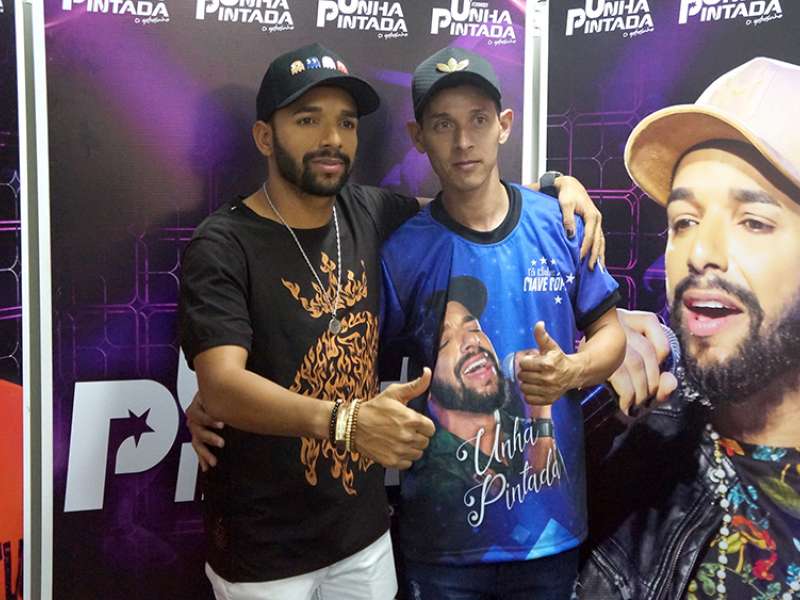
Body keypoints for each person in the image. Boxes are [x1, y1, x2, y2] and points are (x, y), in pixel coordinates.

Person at [180, 42, 603, 600]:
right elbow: (223, 384)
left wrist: (557, 186)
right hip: (265, 547)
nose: (331, 138)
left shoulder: (371, 213)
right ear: (264, 136)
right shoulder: (224, 242)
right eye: (307, 120)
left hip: (363, 536)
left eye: (346, 122)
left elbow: (472, 199)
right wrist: (338, 421)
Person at [379, 47, 626, 599]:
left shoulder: (560, 223)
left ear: (505, 125)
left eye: (478, 120)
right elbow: (356, 363)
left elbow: (612, 334)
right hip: (440, 546)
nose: (463, 141)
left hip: (550, 535)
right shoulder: (402, 251)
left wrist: (573, 370)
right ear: (418, 137)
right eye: (443, 125)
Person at [577, 57, 800, 600]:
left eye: (753, 221)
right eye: (684, 221)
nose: (700, 252)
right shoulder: (630, 444)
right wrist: (579, 400)